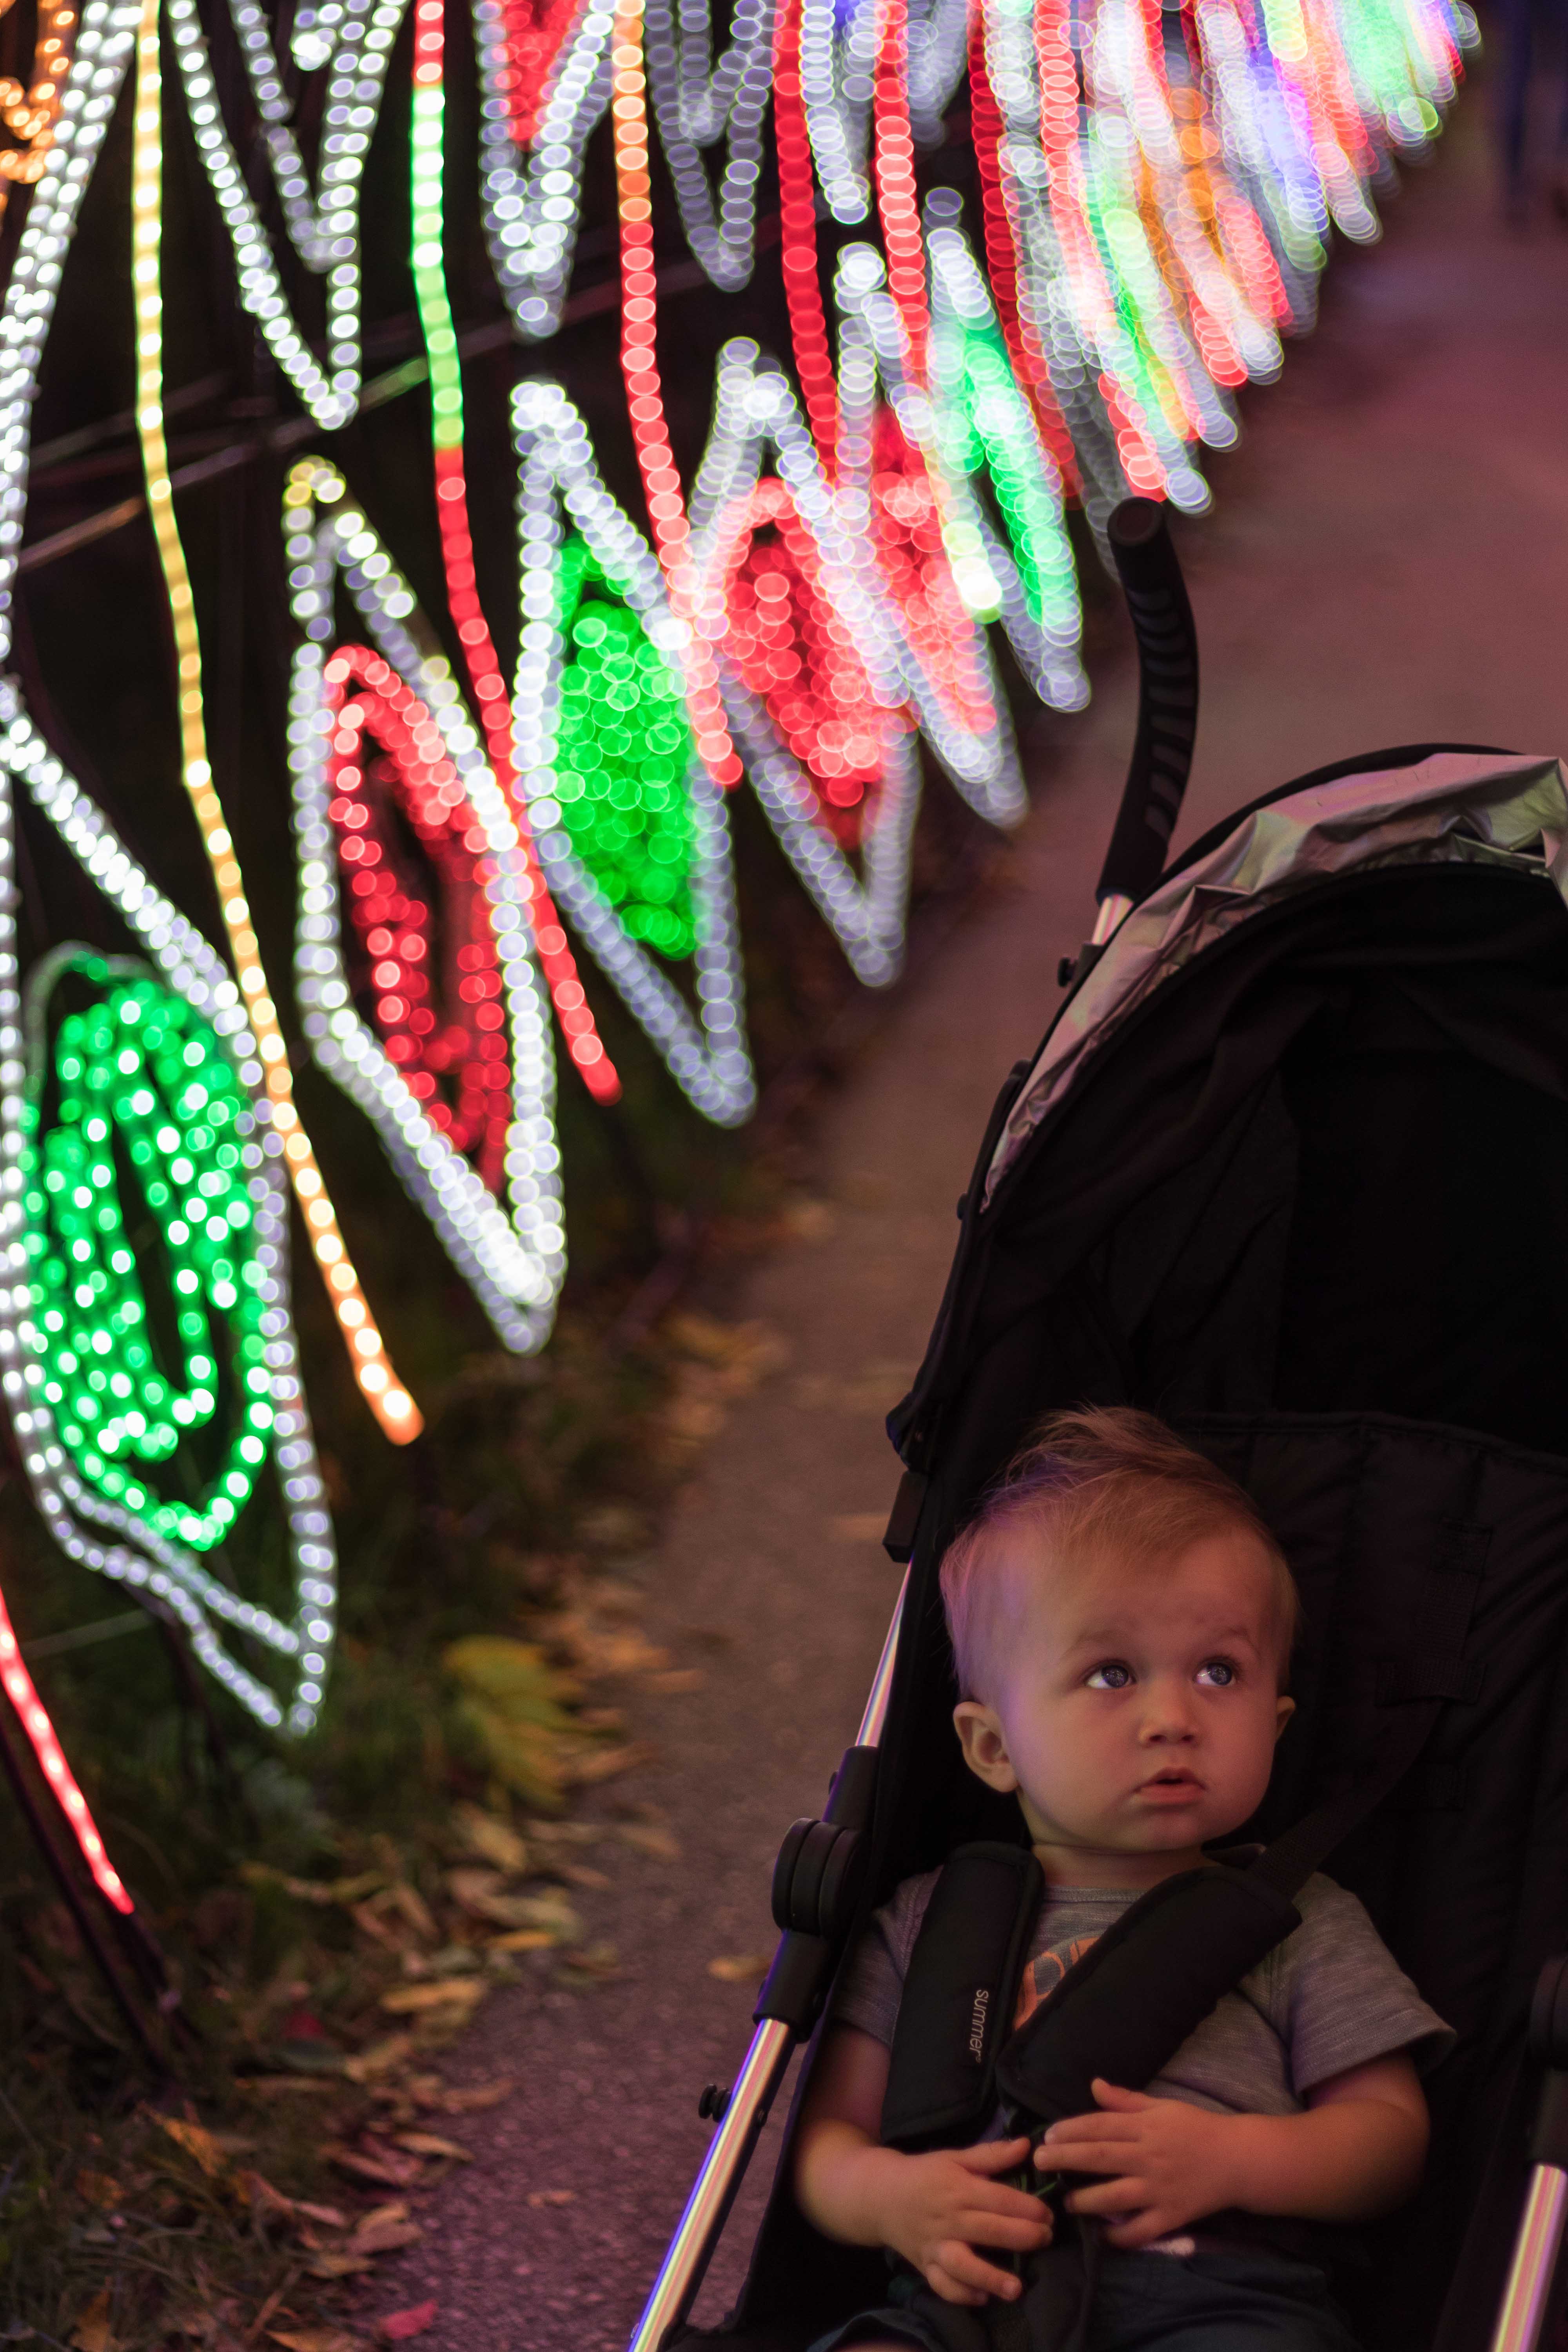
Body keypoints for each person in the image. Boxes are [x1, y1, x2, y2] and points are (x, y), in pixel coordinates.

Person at [793, 1407, 1454, 2352]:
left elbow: (1388, 2137)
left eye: (1219, 1672)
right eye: (1110, 1675)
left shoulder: (1292, 1920)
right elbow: (827, 2145)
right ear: (991, 1746)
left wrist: (1234, 2159)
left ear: (1276, 1721)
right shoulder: (925, 1919)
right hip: (963, 2311)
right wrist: (892, 2197)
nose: (1171, 1717)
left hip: (1216, 2300)